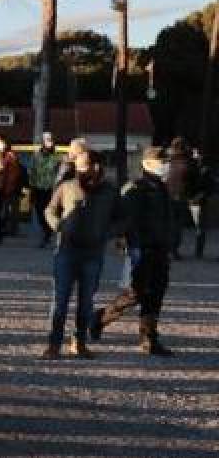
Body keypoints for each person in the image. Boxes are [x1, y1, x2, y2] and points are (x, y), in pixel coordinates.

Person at [90, 146, 177, 356]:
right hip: (142, 249)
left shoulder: (162, 188)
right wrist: (129, 244)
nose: (166, 167)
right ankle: (99, 318)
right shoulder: (136, 189)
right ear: (148, 165)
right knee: (136, 293)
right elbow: (125, 220)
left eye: (166, 163)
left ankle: (149, 339)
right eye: (161, 163)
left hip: (160, 249)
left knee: (156, 294)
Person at [41, 149, 121, 359]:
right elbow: (49, 210)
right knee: (60, 301)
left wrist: (107, 232)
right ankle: (54, 344)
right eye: (83, 166)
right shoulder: (66, 187)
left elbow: (123, 218)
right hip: (66, 252)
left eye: (90, 165)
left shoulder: (110, 192)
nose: (86, 170)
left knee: (86, 302)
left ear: (98, 167)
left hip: (93, 254)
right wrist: (58, 225)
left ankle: (79, 342)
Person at [28, 132, 61, 247]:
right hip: (38, 187)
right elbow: (32, 172)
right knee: (39, 212)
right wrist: (31, 187)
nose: (49, 143)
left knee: (50, 211)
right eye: (47, 140)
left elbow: (59, 174)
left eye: (51, 140)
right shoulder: (36, 156)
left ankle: (48, 234)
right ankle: (46, 231)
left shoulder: (57, 157)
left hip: (51, 189)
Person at [183, 148, 214, 259]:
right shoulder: (191, 168)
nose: (195, 156)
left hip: (199, 202)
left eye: (197, 154)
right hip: (190, 200)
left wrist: (198, 197)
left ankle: (198, 252)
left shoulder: (205, 170)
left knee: (199, 228)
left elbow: (209, 188)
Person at [0, 135, 23, 238]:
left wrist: (7, 188)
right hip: (4, 187)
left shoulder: (10, 156)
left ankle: (11, 230)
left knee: (10, 210)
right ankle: (7, 228)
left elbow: (12, 174)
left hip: (10, 188)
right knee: (6, 209)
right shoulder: (1, 154)